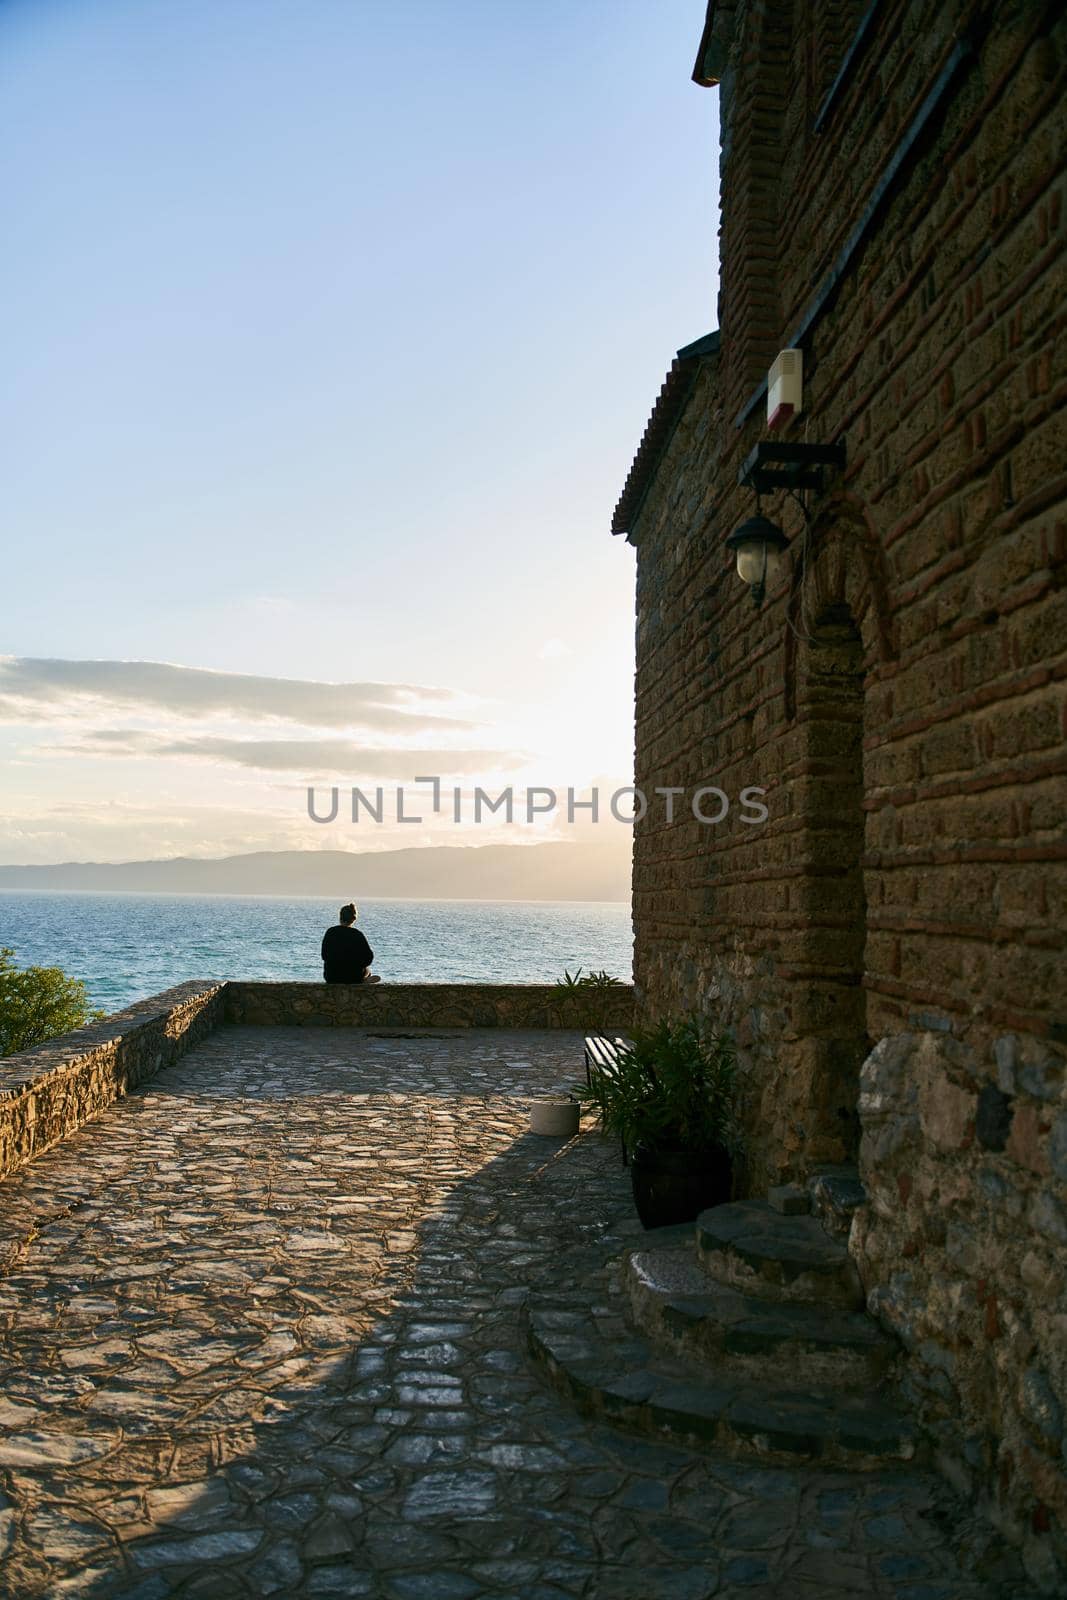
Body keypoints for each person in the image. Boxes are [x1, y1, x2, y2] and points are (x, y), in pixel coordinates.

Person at [321, 903, 380, 984]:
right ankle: (362, 981)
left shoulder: (330, 932)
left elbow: (324, 955)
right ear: (353, 919)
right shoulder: (357, 934)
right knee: (368, 971)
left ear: (340, 917)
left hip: (331, 977)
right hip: (353, 977)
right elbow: (368, 958)